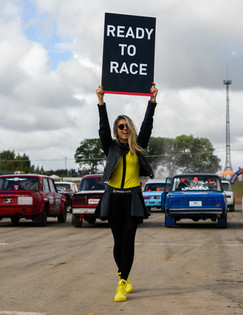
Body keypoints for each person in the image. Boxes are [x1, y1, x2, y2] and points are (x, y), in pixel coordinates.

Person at [95, 83, 158, 302]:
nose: (124, 129)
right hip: (113, 198)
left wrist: (152, 101)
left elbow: (147, 125)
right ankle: (124, 274)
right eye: (120, 126)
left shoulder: (138, 146)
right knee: (118, 242)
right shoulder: (110, 147)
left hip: (132, 197)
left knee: (129, 240)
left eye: (126, 126)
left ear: (130, 129)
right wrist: (101, 102)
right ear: (116, 130)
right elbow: (102, 128)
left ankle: (121, 284)